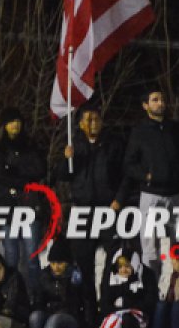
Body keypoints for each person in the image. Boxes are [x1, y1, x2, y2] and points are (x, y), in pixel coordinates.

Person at [56, 103, 132, 296]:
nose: (94, 123)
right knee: (83, 262)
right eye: (89, 119)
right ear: (81, 124)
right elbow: (63, 176)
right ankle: (88, 310)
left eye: (97, 118)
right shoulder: (75, 146)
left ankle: (107, 301)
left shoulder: (114, 144)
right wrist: (67, 160)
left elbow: (126, 174)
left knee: (113, 258)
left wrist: (119, 200)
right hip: (82, 210)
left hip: (109, 209)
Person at [124, 88, 179, 276]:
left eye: (162, 99)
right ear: (145, 105)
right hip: (151, 195)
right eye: (155, 100)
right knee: (150, 247)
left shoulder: (175, 129)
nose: (160, 103)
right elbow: (129, 163)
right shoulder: (139, 131)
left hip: (176, 193)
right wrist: (147, 176)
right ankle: (150, 292)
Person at [0, 107, 46, 292]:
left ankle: (34, 296)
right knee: (11, 256)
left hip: (29, 206)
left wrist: (14, 170)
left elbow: (39, 171)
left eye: (18, 121)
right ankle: (11, 296)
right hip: (7, 208)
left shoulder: (30, 145)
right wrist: (23, 177)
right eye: (11, 121)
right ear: (4, 125)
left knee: (32, 257)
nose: (15, 125)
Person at [20, 240, 94, 328]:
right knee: (35, 316)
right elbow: (37, 302)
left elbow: (87, 302)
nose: (56, 267)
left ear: (67, 262)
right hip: (50, 319)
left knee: (56, 318)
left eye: (60, 263)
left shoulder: (76, 276)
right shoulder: (44, 275)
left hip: (71, 319)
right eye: (53, 263)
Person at [93, 248, 157, 328]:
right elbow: (104, 304)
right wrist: (118, 308)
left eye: (127, 266)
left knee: (126, 318)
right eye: (120, 266)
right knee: (113, 320)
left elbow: (149, 302)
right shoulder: (111, 278)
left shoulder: (146, 275)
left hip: (139, 316)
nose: (123, 270)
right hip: (115, 315)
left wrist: (125, 303)